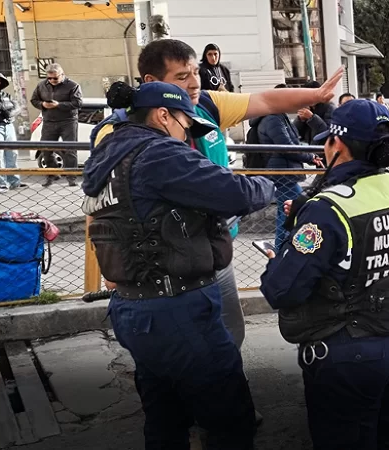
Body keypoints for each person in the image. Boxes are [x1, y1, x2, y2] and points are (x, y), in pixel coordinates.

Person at [90, 38, 343, 424]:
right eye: (182, 76)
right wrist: (268, 185)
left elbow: (266, 101)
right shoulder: (133, 141)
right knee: (204, 379)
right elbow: (105, 203)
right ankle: (219, 416)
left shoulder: (203, 103)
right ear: (155, 96)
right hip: (165, 271)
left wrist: (318, 93)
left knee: (218, 343)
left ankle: (209, 407)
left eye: (195, 72)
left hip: (203, 251)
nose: (194, 82)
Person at [83, 81, 275, 449]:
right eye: (186, 123)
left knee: (165, 417)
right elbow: (232, 193)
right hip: (177, 309)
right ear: (163, 115)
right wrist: (266, 185)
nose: (188, 133)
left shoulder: (106, 157)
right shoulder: (158, 154)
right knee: (230, 419)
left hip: (133, 307)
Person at [260, 99, 389, 450]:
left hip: (350, 351)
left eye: (326, 141)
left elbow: (281, 290)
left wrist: (278, 258)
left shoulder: (329, 209)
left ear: (338, 145)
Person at [250, 84, 324, 251]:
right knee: (297, 209)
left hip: (283, 171)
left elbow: (292, 142)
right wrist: (310, 157)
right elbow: (288, 147)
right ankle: (284, 250)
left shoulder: (276, 117)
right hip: (283, 172)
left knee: (285, 213)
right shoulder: (273, 119)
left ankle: (279, 250)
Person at [31, 63, 82, 187]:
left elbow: (78, 103)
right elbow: (34, 100)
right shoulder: (41, 85)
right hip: (49, 121)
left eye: (55, 78)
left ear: (62, 75)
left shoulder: (73, 85)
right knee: (46, 149)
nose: (52, 81)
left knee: (70, 150)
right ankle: (53, 174)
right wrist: (43, 104)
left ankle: (71, 178)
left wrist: (58, 105)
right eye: (49, 78)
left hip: (68, 121)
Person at [0, 70, 26, 192]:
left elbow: (17, 106)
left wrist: (11, 113)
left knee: (12, 153)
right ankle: (0, 182)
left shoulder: (5, 95)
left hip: (8, 125)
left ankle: (14, 181)